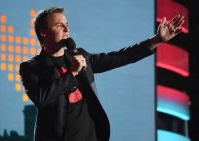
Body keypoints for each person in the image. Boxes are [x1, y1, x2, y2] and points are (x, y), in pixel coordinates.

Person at [19, 7, 184, 141]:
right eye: (59, 25)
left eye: (67, 24)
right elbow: (41, 98)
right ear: (43, 32)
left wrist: (156, 40)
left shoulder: (80, 56)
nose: (66, 29)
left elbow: (119, 57)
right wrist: (72, 72)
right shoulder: (31, 67)